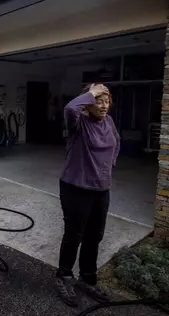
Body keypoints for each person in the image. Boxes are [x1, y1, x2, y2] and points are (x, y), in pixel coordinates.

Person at [54, 83, 120, 306]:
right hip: (75, 188)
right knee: (75, 235)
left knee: (94, 236)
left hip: (101, 189)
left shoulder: (109, 122)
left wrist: (108, 166)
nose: (103, 105)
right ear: (88, 103)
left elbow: (116, 143)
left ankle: (87, 279)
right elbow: (70, 108)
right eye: (98, 100)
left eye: (107, 100)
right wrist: (91, 92)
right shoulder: (78, 123)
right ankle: (63, 277)